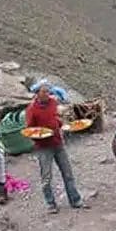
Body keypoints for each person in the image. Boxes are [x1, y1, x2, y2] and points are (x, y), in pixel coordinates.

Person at [26, 83, 88, 214]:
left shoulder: (53, 102)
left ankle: (75, 200)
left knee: (67, 172)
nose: (48, 94)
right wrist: (39, 136)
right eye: (44, 92)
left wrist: (62, 124)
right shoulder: (32, 109)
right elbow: (30, 130)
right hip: (43, 147)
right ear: (37, 94)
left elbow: (55, 118)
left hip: (57, 142)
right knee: (46, 177)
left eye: (48, 92)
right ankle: (51, 204)